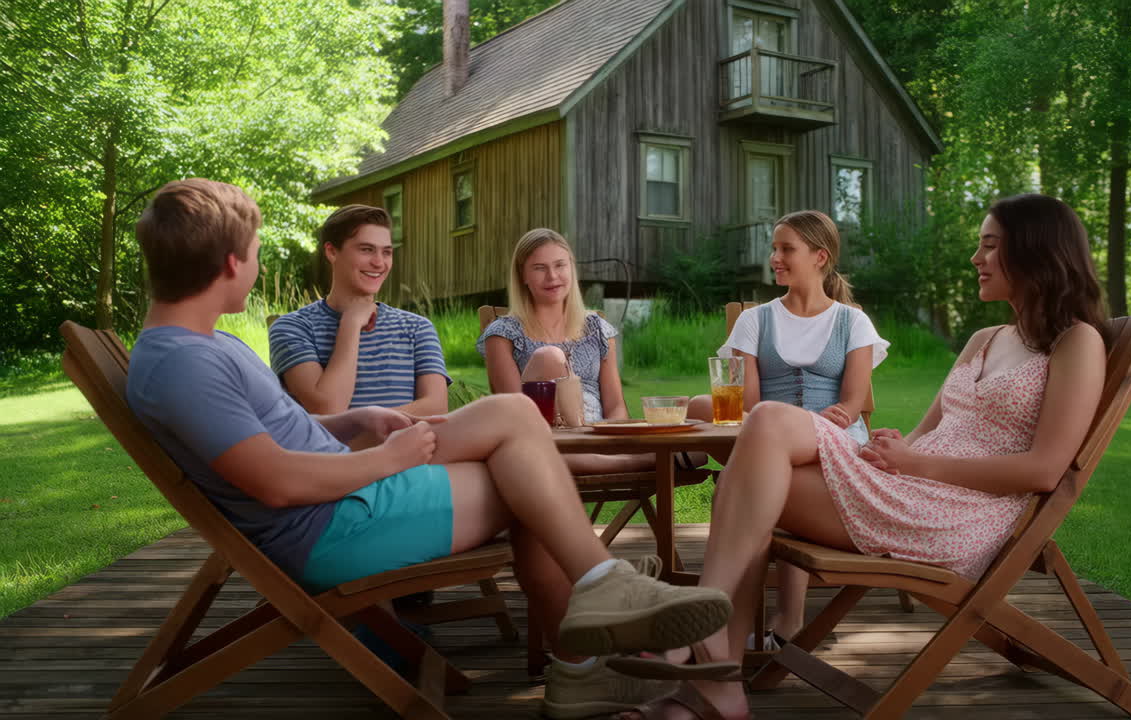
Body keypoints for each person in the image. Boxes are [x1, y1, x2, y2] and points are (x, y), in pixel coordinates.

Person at [124, 179, 732, 719]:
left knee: (517, 416)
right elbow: (276, 481)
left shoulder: (204, 345)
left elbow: (282, 433)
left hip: (349, 489)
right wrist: (390, 457)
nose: (257, 267)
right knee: (530, 473)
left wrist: (355, 420)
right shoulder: (184, 364)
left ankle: (597, 616)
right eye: (256, 255)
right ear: (231, 263)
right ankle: (596, 618)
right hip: (335, 523)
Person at [610, 194, 1112, 719]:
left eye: (989, 245)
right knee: (753, 464)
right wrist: (894, 451)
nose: (976, 258)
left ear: (1035, 253)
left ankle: (704, 647)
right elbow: (927, 432)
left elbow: (1044, 470)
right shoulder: (986, 338)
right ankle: (718, 677)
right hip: (906, 487)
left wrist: (917, 464)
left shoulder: (1077, 344)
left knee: (760, 441)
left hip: (956, 514)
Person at [694, 209, 888, 652]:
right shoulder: (755, 320)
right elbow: (750, 402)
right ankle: (767, 622)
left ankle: (744, 623)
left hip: (837, 443)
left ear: (820, 257)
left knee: (752, 485)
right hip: (772, 437)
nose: (774, 258)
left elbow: (852, 403)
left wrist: (816, 426)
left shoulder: (851, 322)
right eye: (774, 248)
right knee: (763, 475)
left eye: (786, 249)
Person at [477, 228, 702, 474]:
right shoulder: (504, 333)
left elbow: (615, 405)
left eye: (560, 265)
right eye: (539, 268)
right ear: (523, 276)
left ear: (571, 269)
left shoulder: (597, 329)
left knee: (699, 446)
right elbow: (513, 411)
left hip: (599, 437)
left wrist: (614, 441)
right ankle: (647, 462)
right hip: (543, 439)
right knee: (548, 358)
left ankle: (619, 460)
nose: (552, 276)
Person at [269, 205, 449, 433]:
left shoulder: (417, 328)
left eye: (387, 252)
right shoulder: (293, 328)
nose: (379, 263)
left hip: (412, 456)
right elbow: (328, 409)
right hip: (337, 462)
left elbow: (437, 406)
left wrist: (368, 425)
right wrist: (351, 325)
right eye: (366, 250)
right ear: (332, 252)